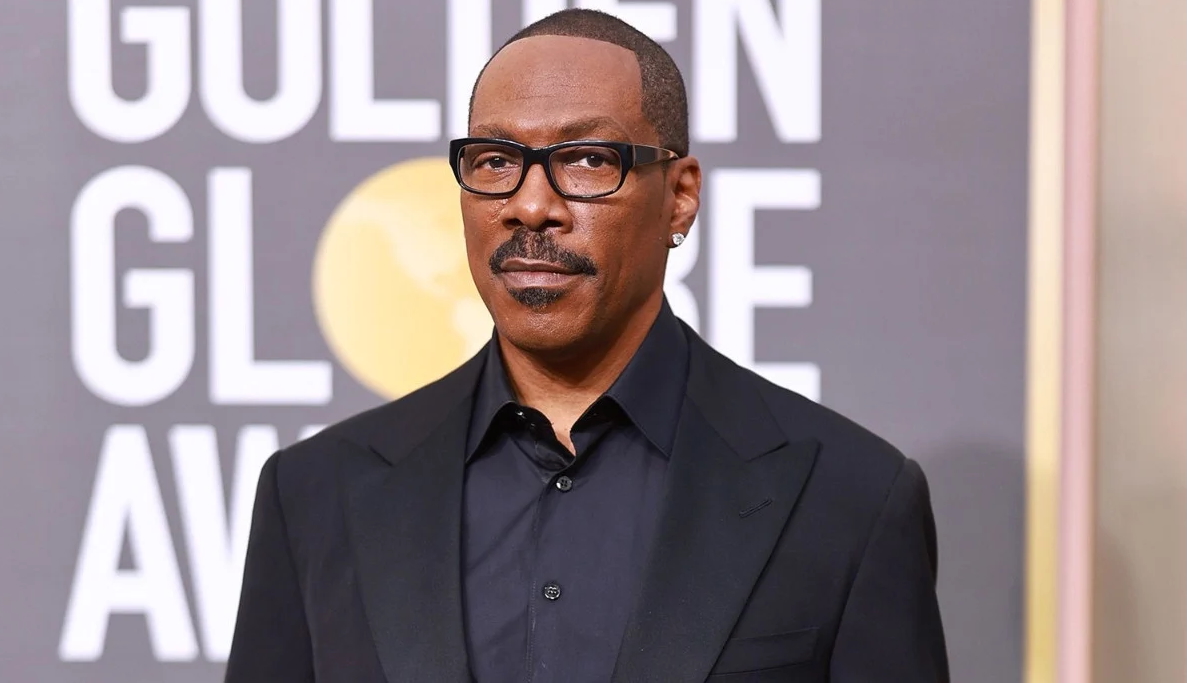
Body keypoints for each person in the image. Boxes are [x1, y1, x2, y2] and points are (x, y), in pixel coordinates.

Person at [224, 8, 948, 683]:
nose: (530, 204)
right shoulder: (315, 494)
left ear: (680, 196)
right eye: (494, 160)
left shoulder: (849, 497)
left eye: (588, 160)